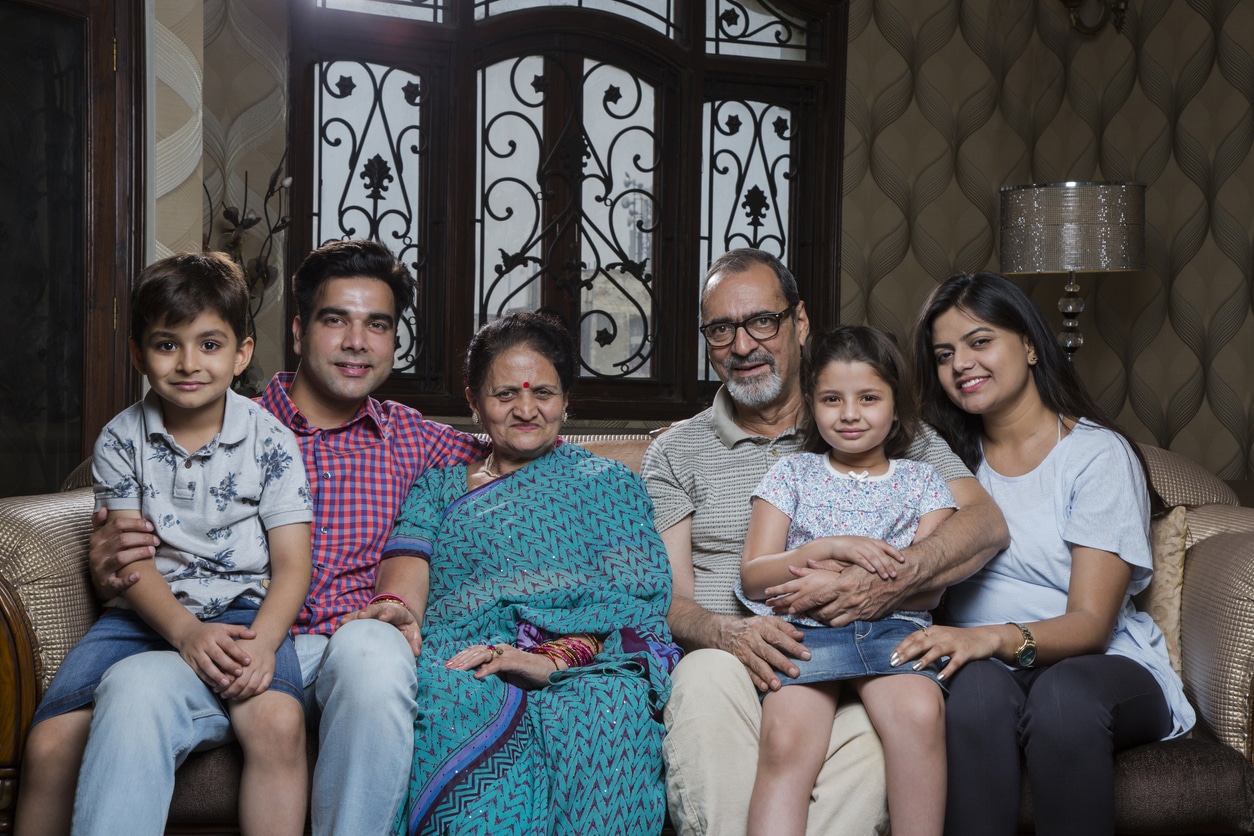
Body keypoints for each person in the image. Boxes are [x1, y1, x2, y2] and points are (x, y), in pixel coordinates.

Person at [71, 240, 487, 834]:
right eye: (334, 319)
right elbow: (133, 493)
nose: (355, 342)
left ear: (394, 341)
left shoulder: (413, 439)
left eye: (377, 325)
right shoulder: (233, 420)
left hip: (333, 652)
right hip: (221, 637)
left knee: (375, 650)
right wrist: (108, 551)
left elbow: (527, 446)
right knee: (132, 686)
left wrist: (661, 449)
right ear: (297, 331)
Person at [640, 248, 1010, 835]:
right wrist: (728, 632)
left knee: (883, 722)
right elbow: (666, 597)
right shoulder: (675, 452)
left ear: (800, 322)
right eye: (721, 329)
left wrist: (884, 582)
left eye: (762, 321)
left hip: (868, 645)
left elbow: (984, 523)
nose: (742, 346)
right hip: (736, 661)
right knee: (705, 679)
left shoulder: (893, 436)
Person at [16, 252, 313, 836]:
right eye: (166, 344)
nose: (188, 364)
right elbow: (131, 562)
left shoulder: (271, 441)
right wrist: (184, 632)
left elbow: (293, 564)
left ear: (242, 353)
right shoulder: (122, 440)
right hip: (141, 615)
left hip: (247, 612)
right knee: (49, 743)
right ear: (138, 353)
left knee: (277, 723)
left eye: (209, 344)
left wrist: (266, 644)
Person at [892, 271, 1195, 835]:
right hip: (981, 665)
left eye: (980, 341)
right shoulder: (939, 463)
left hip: (1100, 666)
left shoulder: (1095, 456)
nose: (960, 364)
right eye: (943, 354)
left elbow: (1089, 625)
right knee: (975, 696)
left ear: (1030, 345)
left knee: (1062, 701)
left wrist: (992, 636)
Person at [384, 311, 679, 835]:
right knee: (454, 697)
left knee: (607, 709)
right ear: (474, 401)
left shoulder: (606, 482)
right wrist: (397, 610)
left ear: (567, 399)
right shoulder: (438, 489)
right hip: (465, 654)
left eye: (543, 392)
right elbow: (407, 578)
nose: (526, 409)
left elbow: (636, 603)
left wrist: (551, 660)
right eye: (504, 396)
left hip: (586, 660)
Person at [738, 325, 953, 836]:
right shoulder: (791, 474)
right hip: (806, 633)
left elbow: (933, 584)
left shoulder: (924, 481)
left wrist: (845, 580)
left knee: (920, 713)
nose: (850, 413)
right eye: (832, 399)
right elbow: (753, 576)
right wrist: (824, 548)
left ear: (897, 406)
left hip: (894, 629)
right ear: (812, 406)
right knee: (786, 740)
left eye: (869, 398)